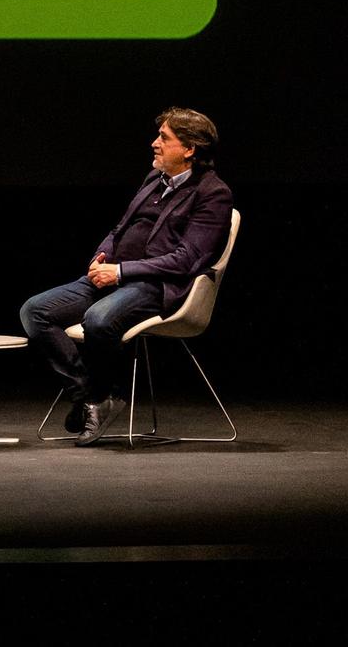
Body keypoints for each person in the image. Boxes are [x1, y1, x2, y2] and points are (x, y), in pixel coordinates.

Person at [19, 108, 234, 445]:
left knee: (99, 319)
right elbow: (121, 229)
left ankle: (96, 399)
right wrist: (100, 256)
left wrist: (120, 272)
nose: (154, 144)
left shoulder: (213, 194)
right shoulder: (154, 180)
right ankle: (92, 397)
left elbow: (186, 260)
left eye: (164, 138)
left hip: (155, 285)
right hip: (112, 275)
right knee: (35, 311)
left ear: (190, 149)